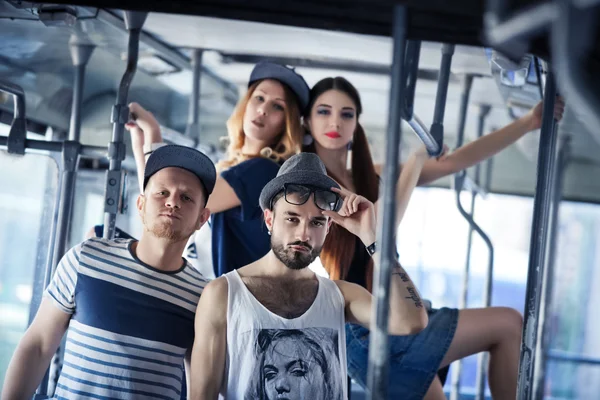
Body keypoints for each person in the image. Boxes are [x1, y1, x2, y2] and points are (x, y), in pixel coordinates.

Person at [302, 76, 565, 399]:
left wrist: (529, 122)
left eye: (346, 114)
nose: (335, 122)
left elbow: (456, 161)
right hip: (362, 328)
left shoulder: (373, 177)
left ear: (356, 123)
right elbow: (379, 227)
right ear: (307, 120)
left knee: (509, 324)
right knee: (507, 324)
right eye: (323, 112)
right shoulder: (310, 187)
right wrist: (414, 162)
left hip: (403, 310)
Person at [189, 152, 430, 399]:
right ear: (269, 219)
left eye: (316, 223)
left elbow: (410, 321)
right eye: (292, 219)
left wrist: (372, 237)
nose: (304, 234)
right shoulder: (224, 294)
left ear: (329, 227)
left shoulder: (340, 296)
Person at [1, 144, 215, 399]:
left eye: (186, 197)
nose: (172, 202)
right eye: (162, 192)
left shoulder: (203, 296)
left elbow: (200, 388)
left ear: (203, 218)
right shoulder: (86, 257)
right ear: (141, 204)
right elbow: (38, 345)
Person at [126, 61, 309, 278]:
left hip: (218, 296)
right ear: (246, 103)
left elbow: (178, 205)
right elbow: (153, 199)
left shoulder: (264, 171)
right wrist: (140, 137)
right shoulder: (229, 166)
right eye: (259, 98)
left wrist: (153, 133)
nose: (263, 109)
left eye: (277, 106)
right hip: (198, 283)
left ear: (287, 123)